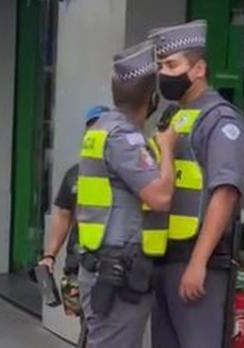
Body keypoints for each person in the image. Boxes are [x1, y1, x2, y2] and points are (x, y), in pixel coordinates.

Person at [147, 20, 244, 348]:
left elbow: (225, 193)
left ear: (199, 69)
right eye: (161, 65)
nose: (164, 73)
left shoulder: (221, 121)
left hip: (196, 263)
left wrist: (198, 263)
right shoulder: (175, 116)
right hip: (165, 261)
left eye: (173, 65)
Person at [76, 41, 178, 348]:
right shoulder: (124, 137)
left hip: (104, 264)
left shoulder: (102, 128)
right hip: (117, 270)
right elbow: (159, 197)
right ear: (152, 98)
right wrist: (169, 150)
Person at [38, 104, 108, 347]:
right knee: (85, 323)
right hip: (77, 264)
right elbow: (63, 217)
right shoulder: (74, 174)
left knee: (98, 328)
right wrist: (49, 256)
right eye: (92, 128)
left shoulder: (122, 172)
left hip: (109, 265)